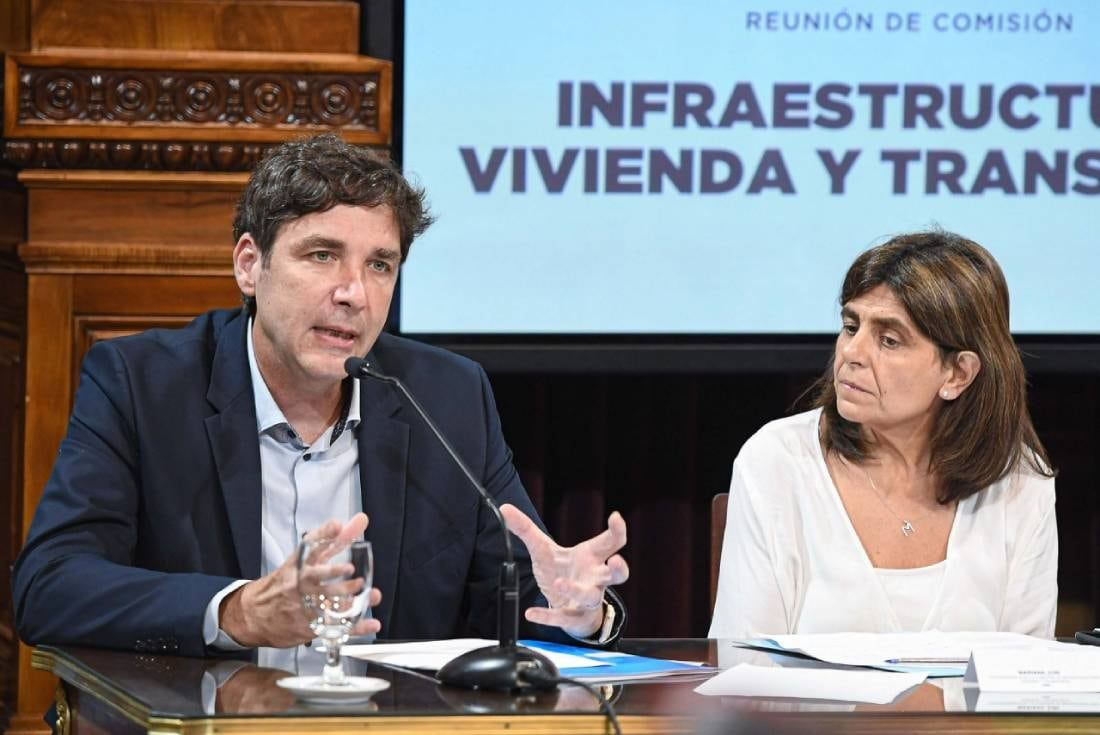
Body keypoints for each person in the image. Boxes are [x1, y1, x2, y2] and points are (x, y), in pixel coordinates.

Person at [13, 133, 629, 660]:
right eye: (322, 255)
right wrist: (236, 611)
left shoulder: (446, 396)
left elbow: (519, 600)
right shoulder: (141, 385)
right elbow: (51, 586)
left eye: (380, 265)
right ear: (250, 266)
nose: (354, 293)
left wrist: (579, 614)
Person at [709, 231, 1057, 638]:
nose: (852, 353)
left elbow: (1030, 679)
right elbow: (741, 666)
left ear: (958, 373)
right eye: (851, 326)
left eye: (889, 340)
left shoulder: (1018, 480)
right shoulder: (776, 460)